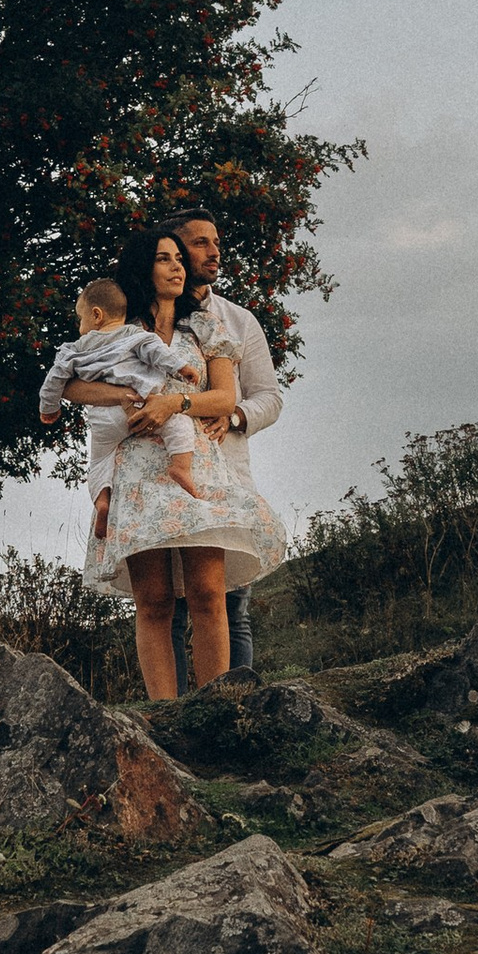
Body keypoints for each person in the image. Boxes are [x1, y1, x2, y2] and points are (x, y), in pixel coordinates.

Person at [58, 225, 286, 696]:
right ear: (143, 266)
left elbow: (224, 397)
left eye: (179, 258)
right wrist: (127, 396)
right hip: (136, 468)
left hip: (194, 463)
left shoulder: (203, 327)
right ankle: (163, 712)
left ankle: (216, 704)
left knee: (208, 593)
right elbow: (72, 387)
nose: (179, 266)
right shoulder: (120, 330)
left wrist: (172, 405)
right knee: (154, 601)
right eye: (165, 258)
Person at [164, 211, 284, 686]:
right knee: (167, 607)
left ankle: (235, 711)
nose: (214, 252)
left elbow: (270, 397)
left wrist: (233, 415)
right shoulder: (142, 321)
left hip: (225, 475)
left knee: (231, 606)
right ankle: (169, 715)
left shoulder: (237, 319)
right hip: (164, 481)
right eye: (200, 244)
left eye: (217, 242)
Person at [39, 279, 203, 533]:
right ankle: (181, 467)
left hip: (105, 418)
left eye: (79, 318)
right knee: (180, 424)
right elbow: (157, 352)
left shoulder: (72, 350)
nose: (80, 326)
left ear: (96, 315)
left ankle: (102, 500)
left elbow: (54, 380)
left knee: (100, 460)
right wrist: (182, 367)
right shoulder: (135, 336)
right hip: (142, 404)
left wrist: (49, 408)